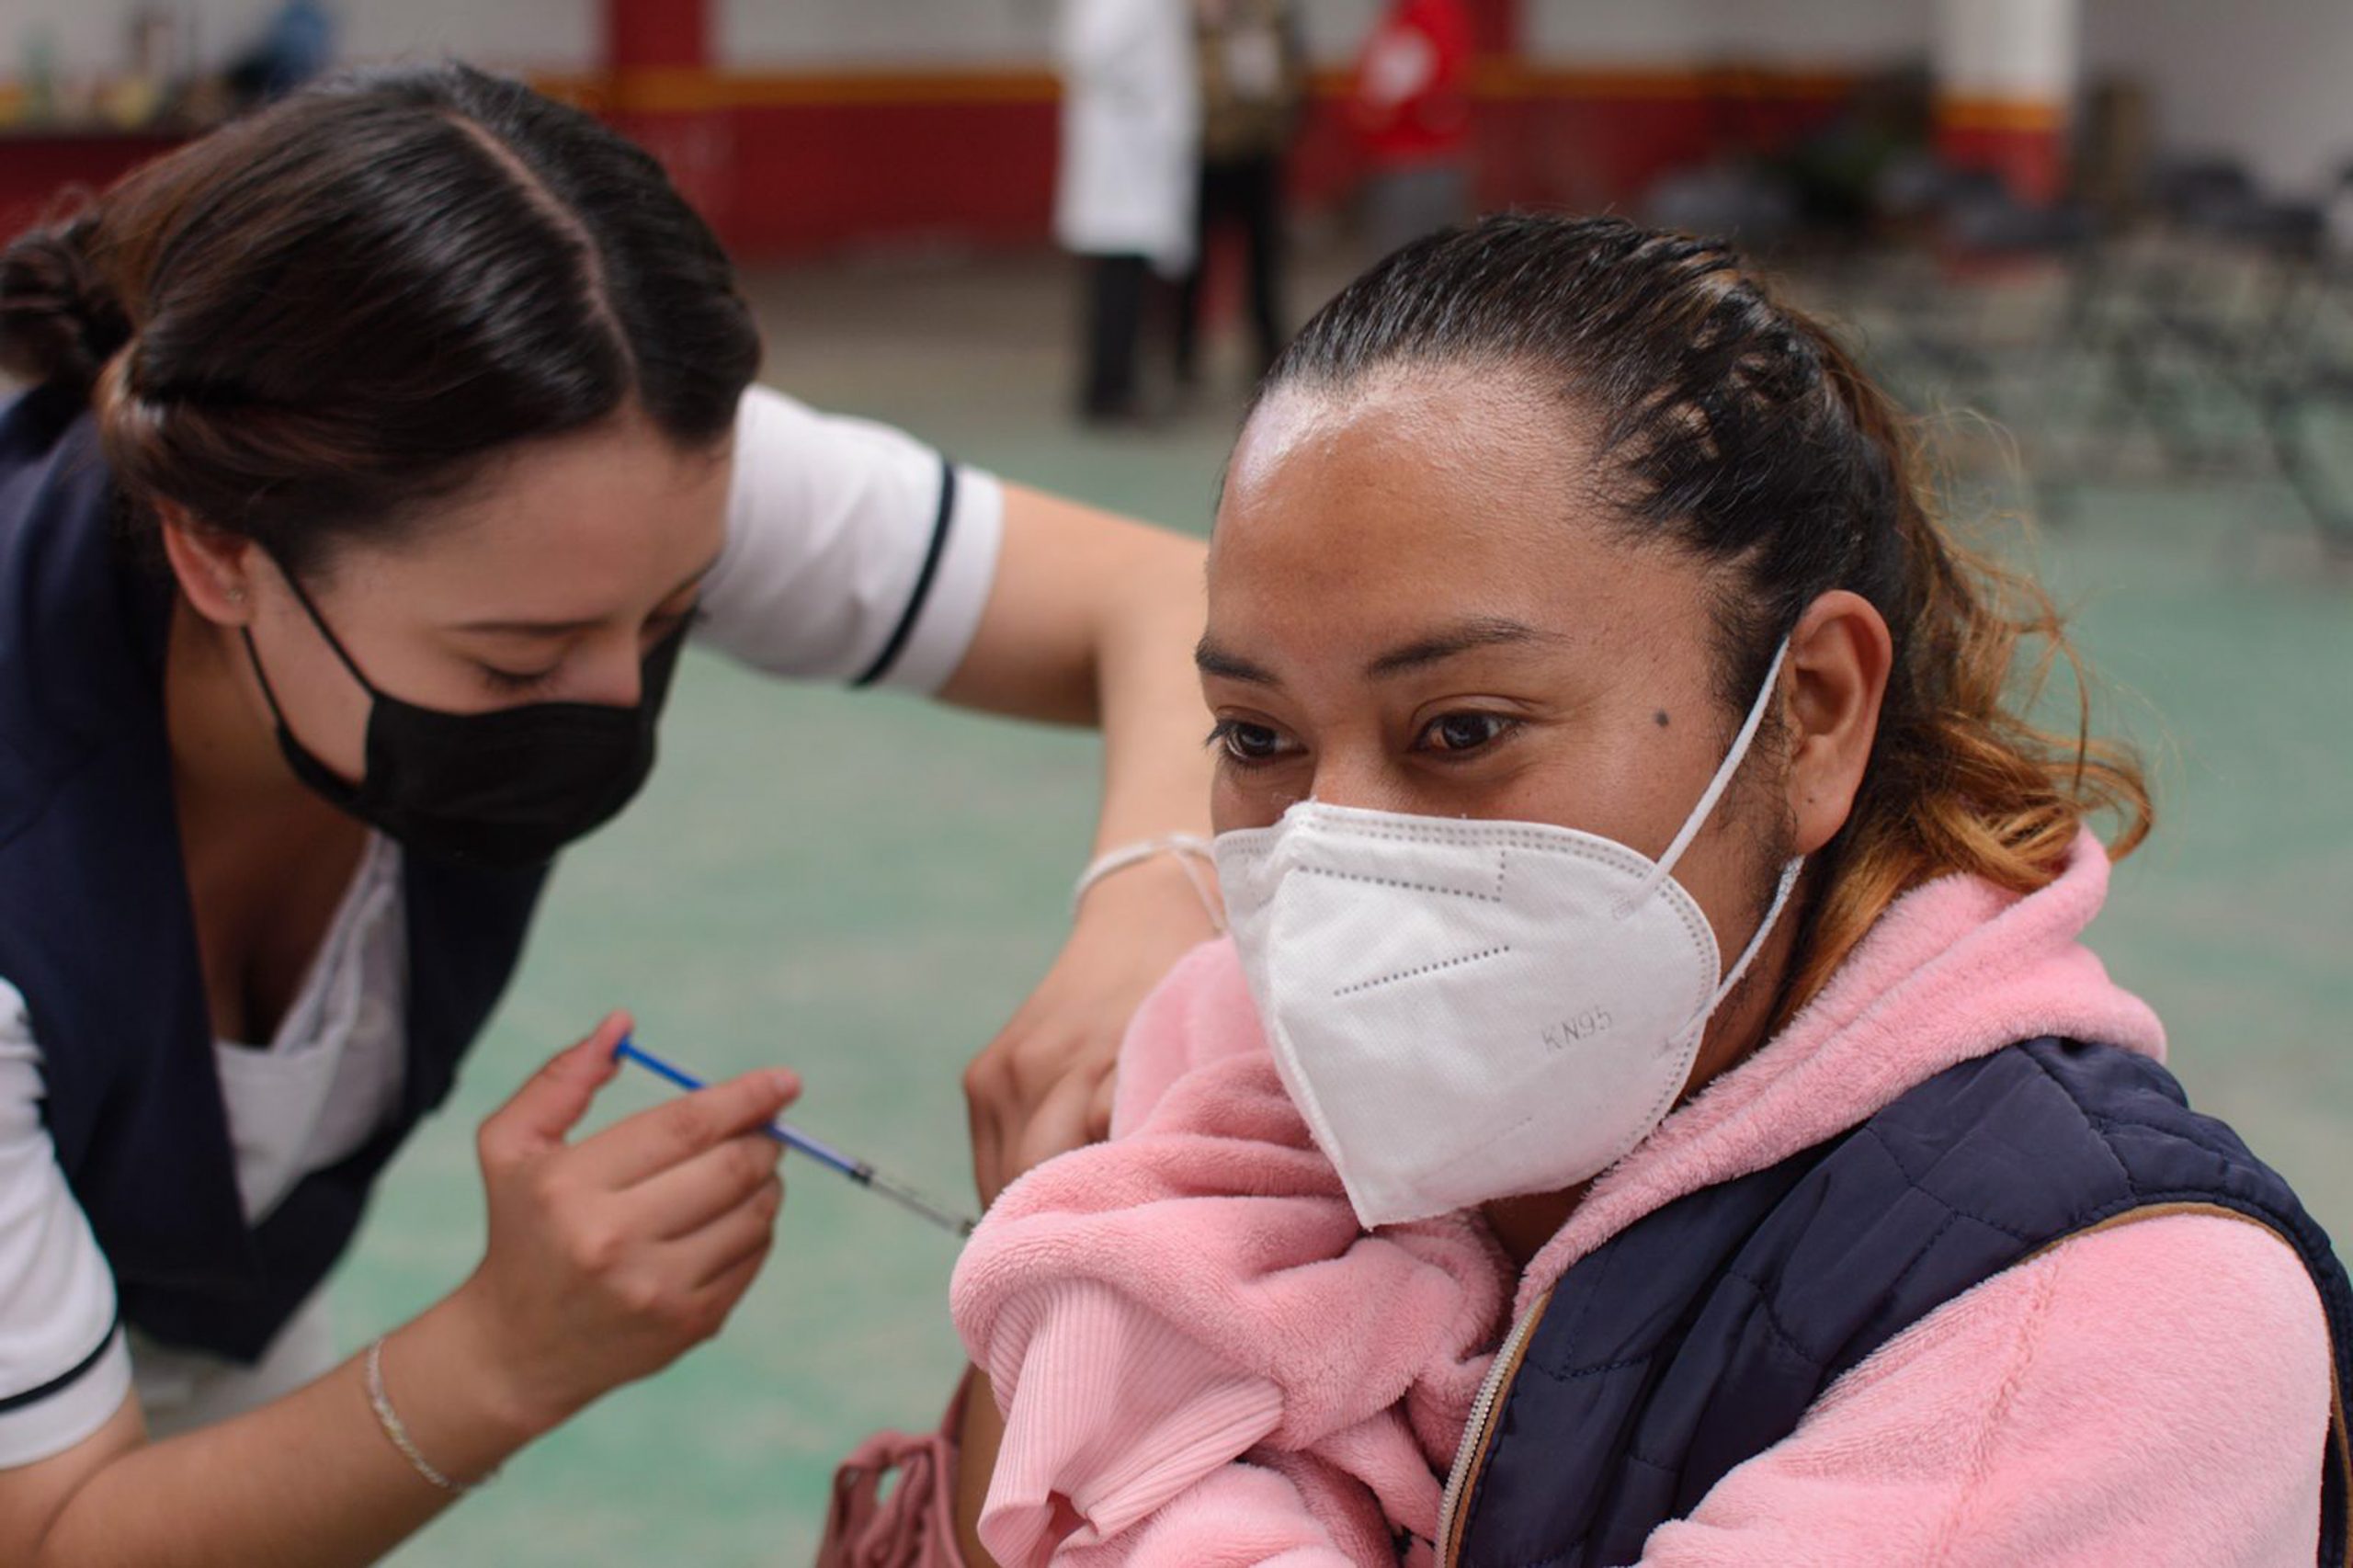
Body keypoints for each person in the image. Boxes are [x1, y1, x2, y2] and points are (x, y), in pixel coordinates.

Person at [943, 216, 2352, 1564]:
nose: (1328, 853)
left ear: (1808, 713)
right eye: (1258, 739)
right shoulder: (1209, 1098)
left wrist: (1092, 1402)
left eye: (1463, 728)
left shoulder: (2105, 1321)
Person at [0, 64, 1219, 1564]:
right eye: (513, 660)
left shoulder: (594, 485)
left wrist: (1153, 893)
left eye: (674, 619)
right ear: (216, 550)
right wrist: (499, 1359)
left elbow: (1176, 607)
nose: (609, 695)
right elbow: (55, 1534)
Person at [1055, 0, 1201, 423]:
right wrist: (1148, 105)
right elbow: (1091, 52)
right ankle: (1111, 391)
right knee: (1120, 284)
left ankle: (1120, 384)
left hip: (1134, 154)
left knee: (1131, 282)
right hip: (1127, 155)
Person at [1174, 0, 1306, 391]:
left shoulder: (1268, 14)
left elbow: (1290, 73)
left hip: (1256, 149)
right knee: (1188, 265)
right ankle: (1183, 358)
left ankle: (1268, 354)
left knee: (1265, 258)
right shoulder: (1182, 17)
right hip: (1202, 154)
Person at [1349, 0, 1472, 258]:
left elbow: (1435, 89)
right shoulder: (1402, 16)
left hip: (1419, 161)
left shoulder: (1431, 13)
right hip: (1404, 157)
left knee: (1413, 258)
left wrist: (1382, 110)